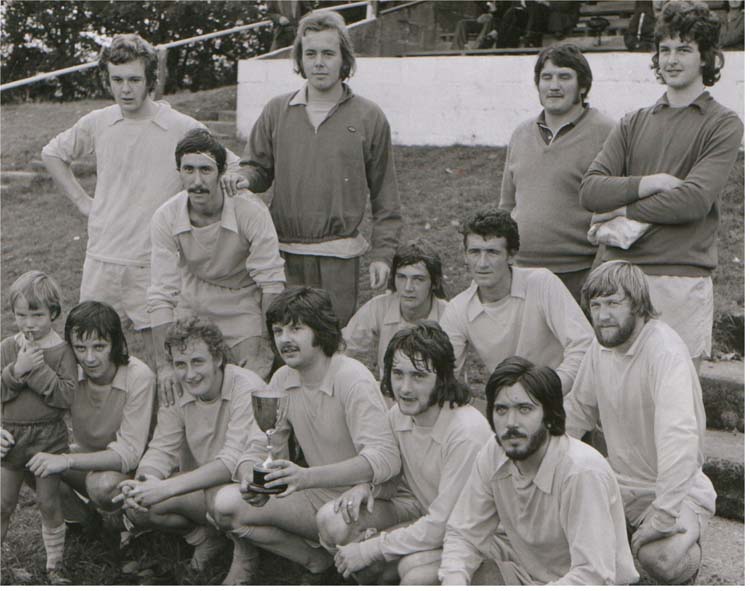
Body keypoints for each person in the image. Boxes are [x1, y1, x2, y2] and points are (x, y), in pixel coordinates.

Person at [41, 34, 243, 366]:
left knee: (166, 358)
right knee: (90, 354)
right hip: (102, 258)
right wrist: (81, 201)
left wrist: (200, 212)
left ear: (150, 79)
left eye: (134, 80)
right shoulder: (98, 122)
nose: (125, 89)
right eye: (117, 80)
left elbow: (230, 166)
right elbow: (52, 153)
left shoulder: (179, 126)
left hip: (154, 264)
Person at [579, 1, 743, 367]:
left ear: (706, 57)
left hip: (679, 278)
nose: (671, 59)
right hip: (618, 278)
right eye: (664, 49)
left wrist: (621, 209)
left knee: (676, 395)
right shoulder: (632, 122)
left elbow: (693, 201)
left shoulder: (723, 123)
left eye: (683, 49)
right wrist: (650, 183)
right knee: (616, 393)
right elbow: (590, 191)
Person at [210, 287, 401, 584]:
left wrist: (306, 477)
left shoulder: (352, 377)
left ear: (320, 330)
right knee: (225, 504)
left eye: (296, 328)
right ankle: (315, 560)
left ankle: (363, 571)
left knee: (333, 522)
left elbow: (385, 459)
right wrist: (251, 478)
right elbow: (259, 443)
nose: (285, 339)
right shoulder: (282, 378)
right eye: (278, 331)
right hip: (314, 495)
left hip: (369, 499)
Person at [239, 11, 402, 324]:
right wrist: (243, 178)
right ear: (300, 59)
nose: (318, 63)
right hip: (283, 255)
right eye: (310, 53)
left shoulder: (369, 116)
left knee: (332, 340)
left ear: (344, 59)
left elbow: (386, 196)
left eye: (328, 53)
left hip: (338, 258)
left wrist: (383, 254)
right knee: (286, 338)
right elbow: (256, 169)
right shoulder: (277, 110)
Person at [565, 260, 716, 584]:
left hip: (677, 489)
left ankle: (689, 534)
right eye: (596, 305)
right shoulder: (601, 346)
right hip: (618, 484)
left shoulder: (664, 351)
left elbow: (679, 439)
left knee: (660, 560)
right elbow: (577, 412)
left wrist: (663, 515)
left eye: (613, 304)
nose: (603, 316)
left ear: (637, 304)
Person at [318, 322, 492, 584]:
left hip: (476, 538)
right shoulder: (398, 415)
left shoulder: (466, 432)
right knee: (332, 520)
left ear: (443, 378)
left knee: (410, 571)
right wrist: (367, 486)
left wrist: (371, 549)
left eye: (418, 376)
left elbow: (443, 524)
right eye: (398, 374)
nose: (405, 388)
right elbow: (392, 475)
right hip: (426, 518)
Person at [438, 356, 638, 585]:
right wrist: (454, 579)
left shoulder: (581, 472)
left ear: (550, 417)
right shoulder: (494, 453)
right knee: (435, 576)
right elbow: (464, 533)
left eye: (524, 409)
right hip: (528, 577)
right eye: (501, 410)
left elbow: (593, 575)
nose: (511, 423)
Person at [113, 317, 266, 576]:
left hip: (246, 489)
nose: (190, 374)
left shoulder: (245, 386)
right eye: (180, 364)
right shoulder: (177, 388)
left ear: (217, 358)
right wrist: (144, 481)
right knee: (139, 506)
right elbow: (161, 448)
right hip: (200, 485)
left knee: (219, 497)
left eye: (197, 361)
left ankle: (247, 554)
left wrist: (163, 489)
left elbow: (231, 462)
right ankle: (205, 537)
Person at [149, 129, 285, 392]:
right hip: (192, 302)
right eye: (188, 170)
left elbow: (271, 283)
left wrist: (266, 343)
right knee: (185, 380)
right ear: (179, 172)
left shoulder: (250, 211)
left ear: (222, 172)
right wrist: (164, 365)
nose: (197, 181)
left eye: (206, 170)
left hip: (243, 302)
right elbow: (160, 294)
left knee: (251, 382)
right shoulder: (165, 217)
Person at [500, 44, 614, 302]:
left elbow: (615, 212)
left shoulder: (607, 133)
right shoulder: (520, 134)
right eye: (547, 77)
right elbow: (506, 206)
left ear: (582, 86)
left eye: (564, 77)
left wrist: (598, 274)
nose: (554, 86)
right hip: (520, 273)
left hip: (578, 275)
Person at [26, 301, 155, 524]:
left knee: (102, 485)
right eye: (80, 348)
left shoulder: (139, 376)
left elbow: (129, 454)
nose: (89, 358)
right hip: (89, 457)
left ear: (115, 344)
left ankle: (130, 523)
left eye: (99, 347)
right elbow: (27, 411)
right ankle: (86, 521)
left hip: (135, 469)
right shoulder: (69, 373)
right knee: (25, 453)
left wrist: (67, 460)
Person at [439, 208, 592, 394]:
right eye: (474, 252)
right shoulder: (458, 309)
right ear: (465, 255)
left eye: (492, 252)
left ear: (511, 255)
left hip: (563, 396)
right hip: (509, 403)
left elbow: (584, 345)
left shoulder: (542, 283)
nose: (482, 263)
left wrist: (547, 391)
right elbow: (442, 376)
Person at [1, 271, 77, 581]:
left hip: (49, 438)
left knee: (48, 502)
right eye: (21, 315)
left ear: (53, 313)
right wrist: (17, 370)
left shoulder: (63, 350)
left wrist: (36, 369)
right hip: (11, 437)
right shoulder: (8, 347)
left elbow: (65, 397)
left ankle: (54, 566)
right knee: (3, 503)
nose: (29, 323)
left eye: (37, 315)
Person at [343, 240, 448, 378]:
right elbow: (341, 348)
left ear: (435, 283)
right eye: (402, 277)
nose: (408, 288)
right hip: (389, 388)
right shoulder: (379, 307)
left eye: (418, 279)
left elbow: (451, 375)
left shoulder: (449, 316)